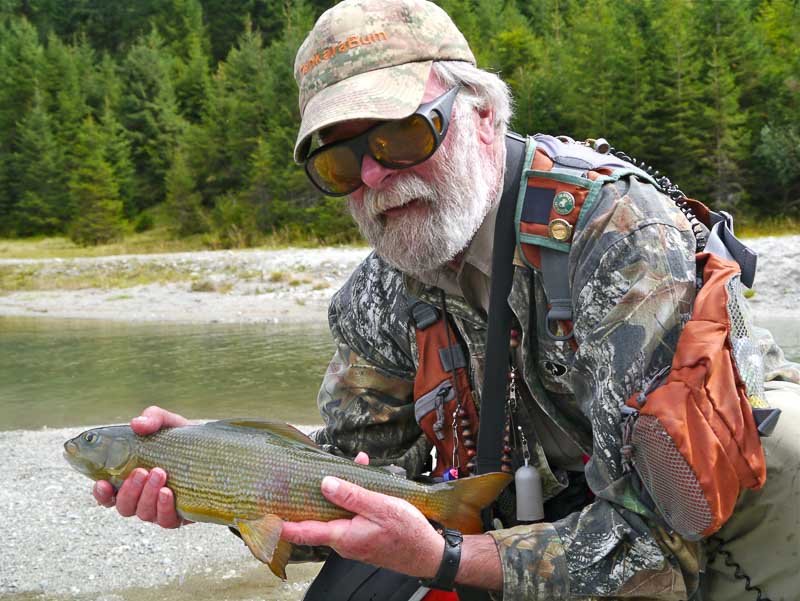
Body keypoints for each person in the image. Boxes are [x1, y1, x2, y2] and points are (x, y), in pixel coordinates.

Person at [92, 1, 800, 599]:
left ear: (484, 115)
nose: (375, 176)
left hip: (712, 514)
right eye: (339, 160)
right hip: (530, 508)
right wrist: (216, 475)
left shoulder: (618, 238)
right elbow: (351, 482)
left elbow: (658, 541)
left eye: (401, 133)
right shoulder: (377, 292)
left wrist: (448, 560)